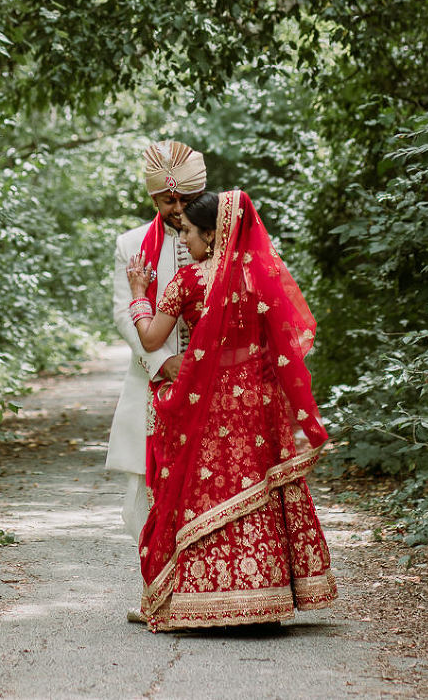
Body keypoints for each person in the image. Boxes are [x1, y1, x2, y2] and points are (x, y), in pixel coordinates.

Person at [127, 190, 337, 632]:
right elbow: (283, 336)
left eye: (187, 231)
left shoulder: (186, 282)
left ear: (212, 233)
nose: (182, 239)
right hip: (258, 401)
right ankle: (264, 598)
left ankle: (207, 600)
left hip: (208, 400)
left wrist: (137, 294)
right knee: (256, 485)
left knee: (209, 487)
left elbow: (150, 339)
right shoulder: (260, 275)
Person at [105, 140, 206, 545]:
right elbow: (121, 313)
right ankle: (155, 595)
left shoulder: (223, 238)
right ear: (154, 199)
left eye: (186, 199)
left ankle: (200, 598)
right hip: (150, 383)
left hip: (212, 379)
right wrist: (163, 363)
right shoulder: (131, 245)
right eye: (168, 201)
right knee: (146, 493)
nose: (178, 209)